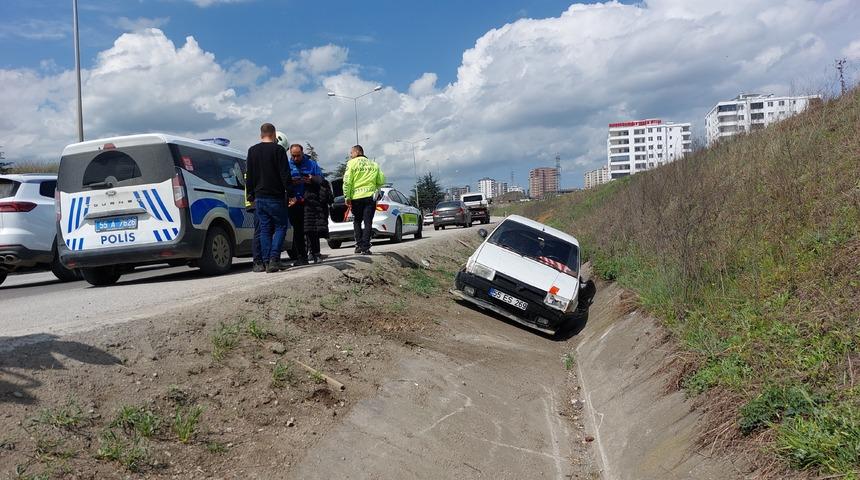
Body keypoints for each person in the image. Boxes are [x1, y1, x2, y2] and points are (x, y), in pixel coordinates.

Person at [245, 123, 293, 273]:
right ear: (273, 135)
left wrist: (250, 194)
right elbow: (285, 174)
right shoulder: (278, 150)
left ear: (261, 135)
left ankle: (265, 262)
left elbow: (250, 174)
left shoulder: (252, 151)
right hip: (276, 197)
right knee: (280, 227)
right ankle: (274, 259)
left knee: (264, 229)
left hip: (259, 197)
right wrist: (290, 194)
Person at [343, 145, 385, 255]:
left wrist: (347, 197)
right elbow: (381, 180)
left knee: (357, 220)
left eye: (351, 153)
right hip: (370, 197)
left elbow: (347, 181)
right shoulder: (373, 164)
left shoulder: (351, 163)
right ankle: (365, 247)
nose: (350, 156)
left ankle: (358, 245)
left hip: (356, 197)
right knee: (368, 222)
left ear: (357, 152)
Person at [287, 144, 323, 266]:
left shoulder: (311, 164)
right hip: (294, 203)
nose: (296, 158)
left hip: (309, 202)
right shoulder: (287, 165)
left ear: (302, 154)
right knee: (298, 231)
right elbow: (283, 182)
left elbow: (321, 180)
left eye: (298, 156)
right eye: (293, 156)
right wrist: (292, 182)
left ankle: (316, 254)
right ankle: (302, 257)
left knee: (312, 229)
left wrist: (311, 179)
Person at [302, 174, 333, 263]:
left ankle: (313, 253)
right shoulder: (321, 181)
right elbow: (328, 197)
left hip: (311, 208)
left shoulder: (314, 181)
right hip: (314, 208)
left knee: (311, 231)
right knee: (312, 231)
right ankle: (314, 253)